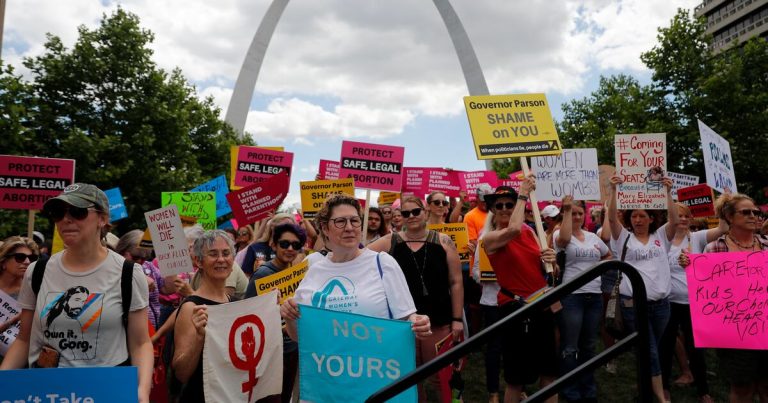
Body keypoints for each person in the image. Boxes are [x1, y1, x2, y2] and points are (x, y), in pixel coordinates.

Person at [0, 183, 153, 403]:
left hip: (105, 392)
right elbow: (24, 339)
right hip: (47, 392)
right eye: (58, 213)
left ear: (102, 219)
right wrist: (3, 384)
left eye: (78, 212)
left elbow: (140, 343)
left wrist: (142, 390)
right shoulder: (38, 271)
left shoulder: (129, 274)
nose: (66, 219)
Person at [280, 193, 431, 343]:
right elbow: (299, 336)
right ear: (325, 228)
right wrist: (289, 316)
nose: (349, 228)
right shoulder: (313, 268)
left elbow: (406, 317)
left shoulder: (383, 263)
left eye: (354, 220)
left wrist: (417, 321)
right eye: (340, 221)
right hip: (326, 364)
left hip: (374, 363)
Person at [368, 196, 464, 401]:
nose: (410, 216)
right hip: (404, 323)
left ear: (425, 212)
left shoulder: (443, 241)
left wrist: (457, 319)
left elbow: (456, 282)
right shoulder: (389, 242)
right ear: (399, 217)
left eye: (415, 212)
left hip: (438, 320)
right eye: (405, 213)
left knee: (440, 375)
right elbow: (357, 257)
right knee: (410, 377)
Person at [481, 179, 558, 403]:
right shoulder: (490, 238)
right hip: (515, 309)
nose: (504, 208)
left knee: (549, 372)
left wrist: (552, 260)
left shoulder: (531, 232)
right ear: (493, 211)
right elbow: (513, 229)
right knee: (515, 378)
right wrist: (522, 194)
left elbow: (547, 270)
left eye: (509, 204)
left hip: (542, 306)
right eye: (499, 205)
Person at [607, 175, 678, 403]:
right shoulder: (624, 238)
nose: (638, 220)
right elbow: (610, 217)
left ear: (651, 218)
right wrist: (613, 190)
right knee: (650, 350)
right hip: (633, 305)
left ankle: (643, 392)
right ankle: (661, 398)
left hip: (662, 306)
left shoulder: (660, 237)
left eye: (642, 216)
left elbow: (675, 221)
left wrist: (668, 193)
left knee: (649, 350)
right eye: (634, 216)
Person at [700, 193, 768, 403]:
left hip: (766, 324)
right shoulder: (715, 249)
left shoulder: (767, 245)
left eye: (756, 212)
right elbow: (706, 291)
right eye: (746, 212)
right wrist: (692, 267)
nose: (753, 216)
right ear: (729, 216)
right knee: (741, 387)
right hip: (736, 332)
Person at [172, 230, 252, 403]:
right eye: (213, 254)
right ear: (199, 261)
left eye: (226, 253)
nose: (221, 260)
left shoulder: (236, 304)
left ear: (233, 261)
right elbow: (181, 373)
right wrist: (199, 338)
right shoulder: (191, 308)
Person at [659, 203, 725, 403]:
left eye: (686, 215)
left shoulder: (695, 238)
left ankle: (703, 390)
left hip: (692, 302)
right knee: (666, 346)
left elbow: (723, 229)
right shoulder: (663, 239)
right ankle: (663, 387)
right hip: (668, 302)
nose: (683, 219)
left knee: (696, 348)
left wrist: (725, 202)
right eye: (678, 215)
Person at [554, 196, 612, 403]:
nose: (577, 216)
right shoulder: (559, 234)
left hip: (594, 296)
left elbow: (608, 255)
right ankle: (570, 391)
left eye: (580, 213)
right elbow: (564, 239)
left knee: (588, 345)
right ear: (564, 214)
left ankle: (588, 389)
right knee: (570, 346)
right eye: (573, 213)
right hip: (572, 297)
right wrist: (567, 209)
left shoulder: (592, 237)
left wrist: (598, 270)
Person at [244, 223, 306, 403]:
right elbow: (247, 315)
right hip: (270, 353)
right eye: (284, 243)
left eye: (295, 245)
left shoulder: (295, 274)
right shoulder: (263, 275)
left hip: (291, 348)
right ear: (273, 245)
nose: (290, 249)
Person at [115, 230, 161, 330]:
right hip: (127, 332)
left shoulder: (149, 267)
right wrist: (138, 277)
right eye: (135, 257)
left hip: (153, 331)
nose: (140, 261)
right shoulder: (112, 267)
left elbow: (168, 287)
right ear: (122, 250)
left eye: (144, 258)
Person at [0, 237, 40, 345]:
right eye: (20, 257)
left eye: (32, 258)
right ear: (3, 261)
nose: (27, 262)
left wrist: (10, 322)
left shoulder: (35, 294)